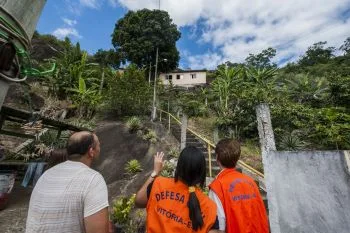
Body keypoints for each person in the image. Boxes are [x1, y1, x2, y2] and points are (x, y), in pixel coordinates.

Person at [26, 131, 109, 233]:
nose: (100, 149)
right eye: (99, 145)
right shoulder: (93, 180)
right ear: (91, 151)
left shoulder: (46, 175)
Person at [135, 146, 221, 233]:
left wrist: (155, 172)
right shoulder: (209, 207)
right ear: (201, 173)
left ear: (179, 166)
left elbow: (139, 201)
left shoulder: (159, 184)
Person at [209, 139, 269, 233]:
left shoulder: (217, 186)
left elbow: (219, 227)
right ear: (237, 159)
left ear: (217, 158)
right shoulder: (251, 182)